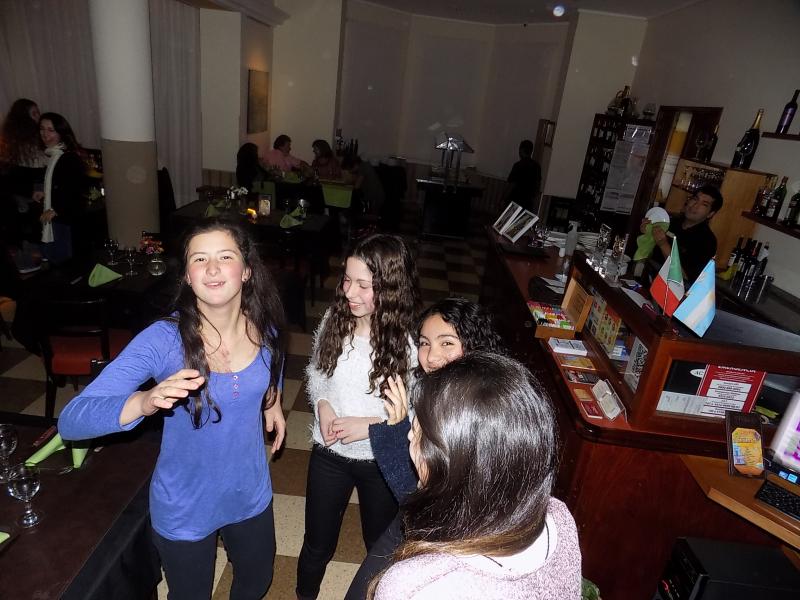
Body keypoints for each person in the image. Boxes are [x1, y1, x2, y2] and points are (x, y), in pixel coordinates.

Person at [58, 217, 287, 600]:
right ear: (187, 276)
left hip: (249, 491)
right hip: (185, 503)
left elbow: (274, 361)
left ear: (246, 270)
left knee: (256, 581)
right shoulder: (163, 339)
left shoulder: (266, 327)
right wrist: (144, 402)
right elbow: (72, 421)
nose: (212, 268)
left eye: (225, 256)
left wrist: (273, 400)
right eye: (199, 259)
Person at [371, 352, 582, 600]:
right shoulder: (560, 518)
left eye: (421, 433)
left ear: (461, 467)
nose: (410, 436)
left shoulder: (416, 586)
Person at [345, 298, 505, 599]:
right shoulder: (428, 391)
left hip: (448, 537)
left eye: (447, 343)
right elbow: (413, 494)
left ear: (474, 346)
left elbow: (416, 494)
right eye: (424, 343)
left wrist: (397, 431)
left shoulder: (480, 417)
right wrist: (400, 427)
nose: (431, 357)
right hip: (415, 519)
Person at [297, 233, 421, 600]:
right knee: (316, 543)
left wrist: (368, 426)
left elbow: (414, 413)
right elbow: (317, 372)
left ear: (390, 288)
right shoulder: (335, 319)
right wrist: (323, 404)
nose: (350, 292)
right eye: (347, 280)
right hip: (329, 454)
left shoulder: (409, 345)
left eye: (363, 285)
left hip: (380, 459)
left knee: (378, 546)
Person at [643, 184, 722, 284]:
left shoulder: (707, 241)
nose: (695, 206)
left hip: (669, 289)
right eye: (695, 199)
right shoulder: (669, 222)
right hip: (646, 279)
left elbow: (684, 278)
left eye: (704, 204)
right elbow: (646, 253)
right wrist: (646, 234)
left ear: (710, 214)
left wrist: (663, 244)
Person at [35, 112, 87, 263]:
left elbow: (74, 191)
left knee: (64, 263)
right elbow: (57, 184)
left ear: (61, 133)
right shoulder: (53, 155)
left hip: (65, 220)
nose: (45, 134)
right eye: (42, 129)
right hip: (58, 218)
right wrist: (43, 192)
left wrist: (55, 209)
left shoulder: (69, 157)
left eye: (51, 130)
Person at [505, 139, 542, 213]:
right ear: (531, 151)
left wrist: (503, 199)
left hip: (515, 200)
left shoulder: (518, 165)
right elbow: (538, 186)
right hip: (528, 203)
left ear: (521, 150)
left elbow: (512, 184)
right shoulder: (537, 166)